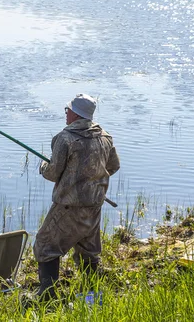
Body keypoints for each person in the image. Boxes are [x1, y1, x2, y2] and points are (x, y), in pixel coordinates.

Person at [34, 93, 120, 298]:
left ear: (76, 113)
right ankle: (92, 297)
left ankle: (48, 296)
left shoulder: (65, 139)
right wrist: (91, 178)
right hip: (94, 205)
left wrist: (42, 166)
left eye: (68, 110)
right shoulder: (105, 137)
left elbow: (52, 173)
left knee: (45, 246)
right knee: (88, 251)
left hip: (68, 206)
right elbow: (113, 166)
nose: (66, 113)